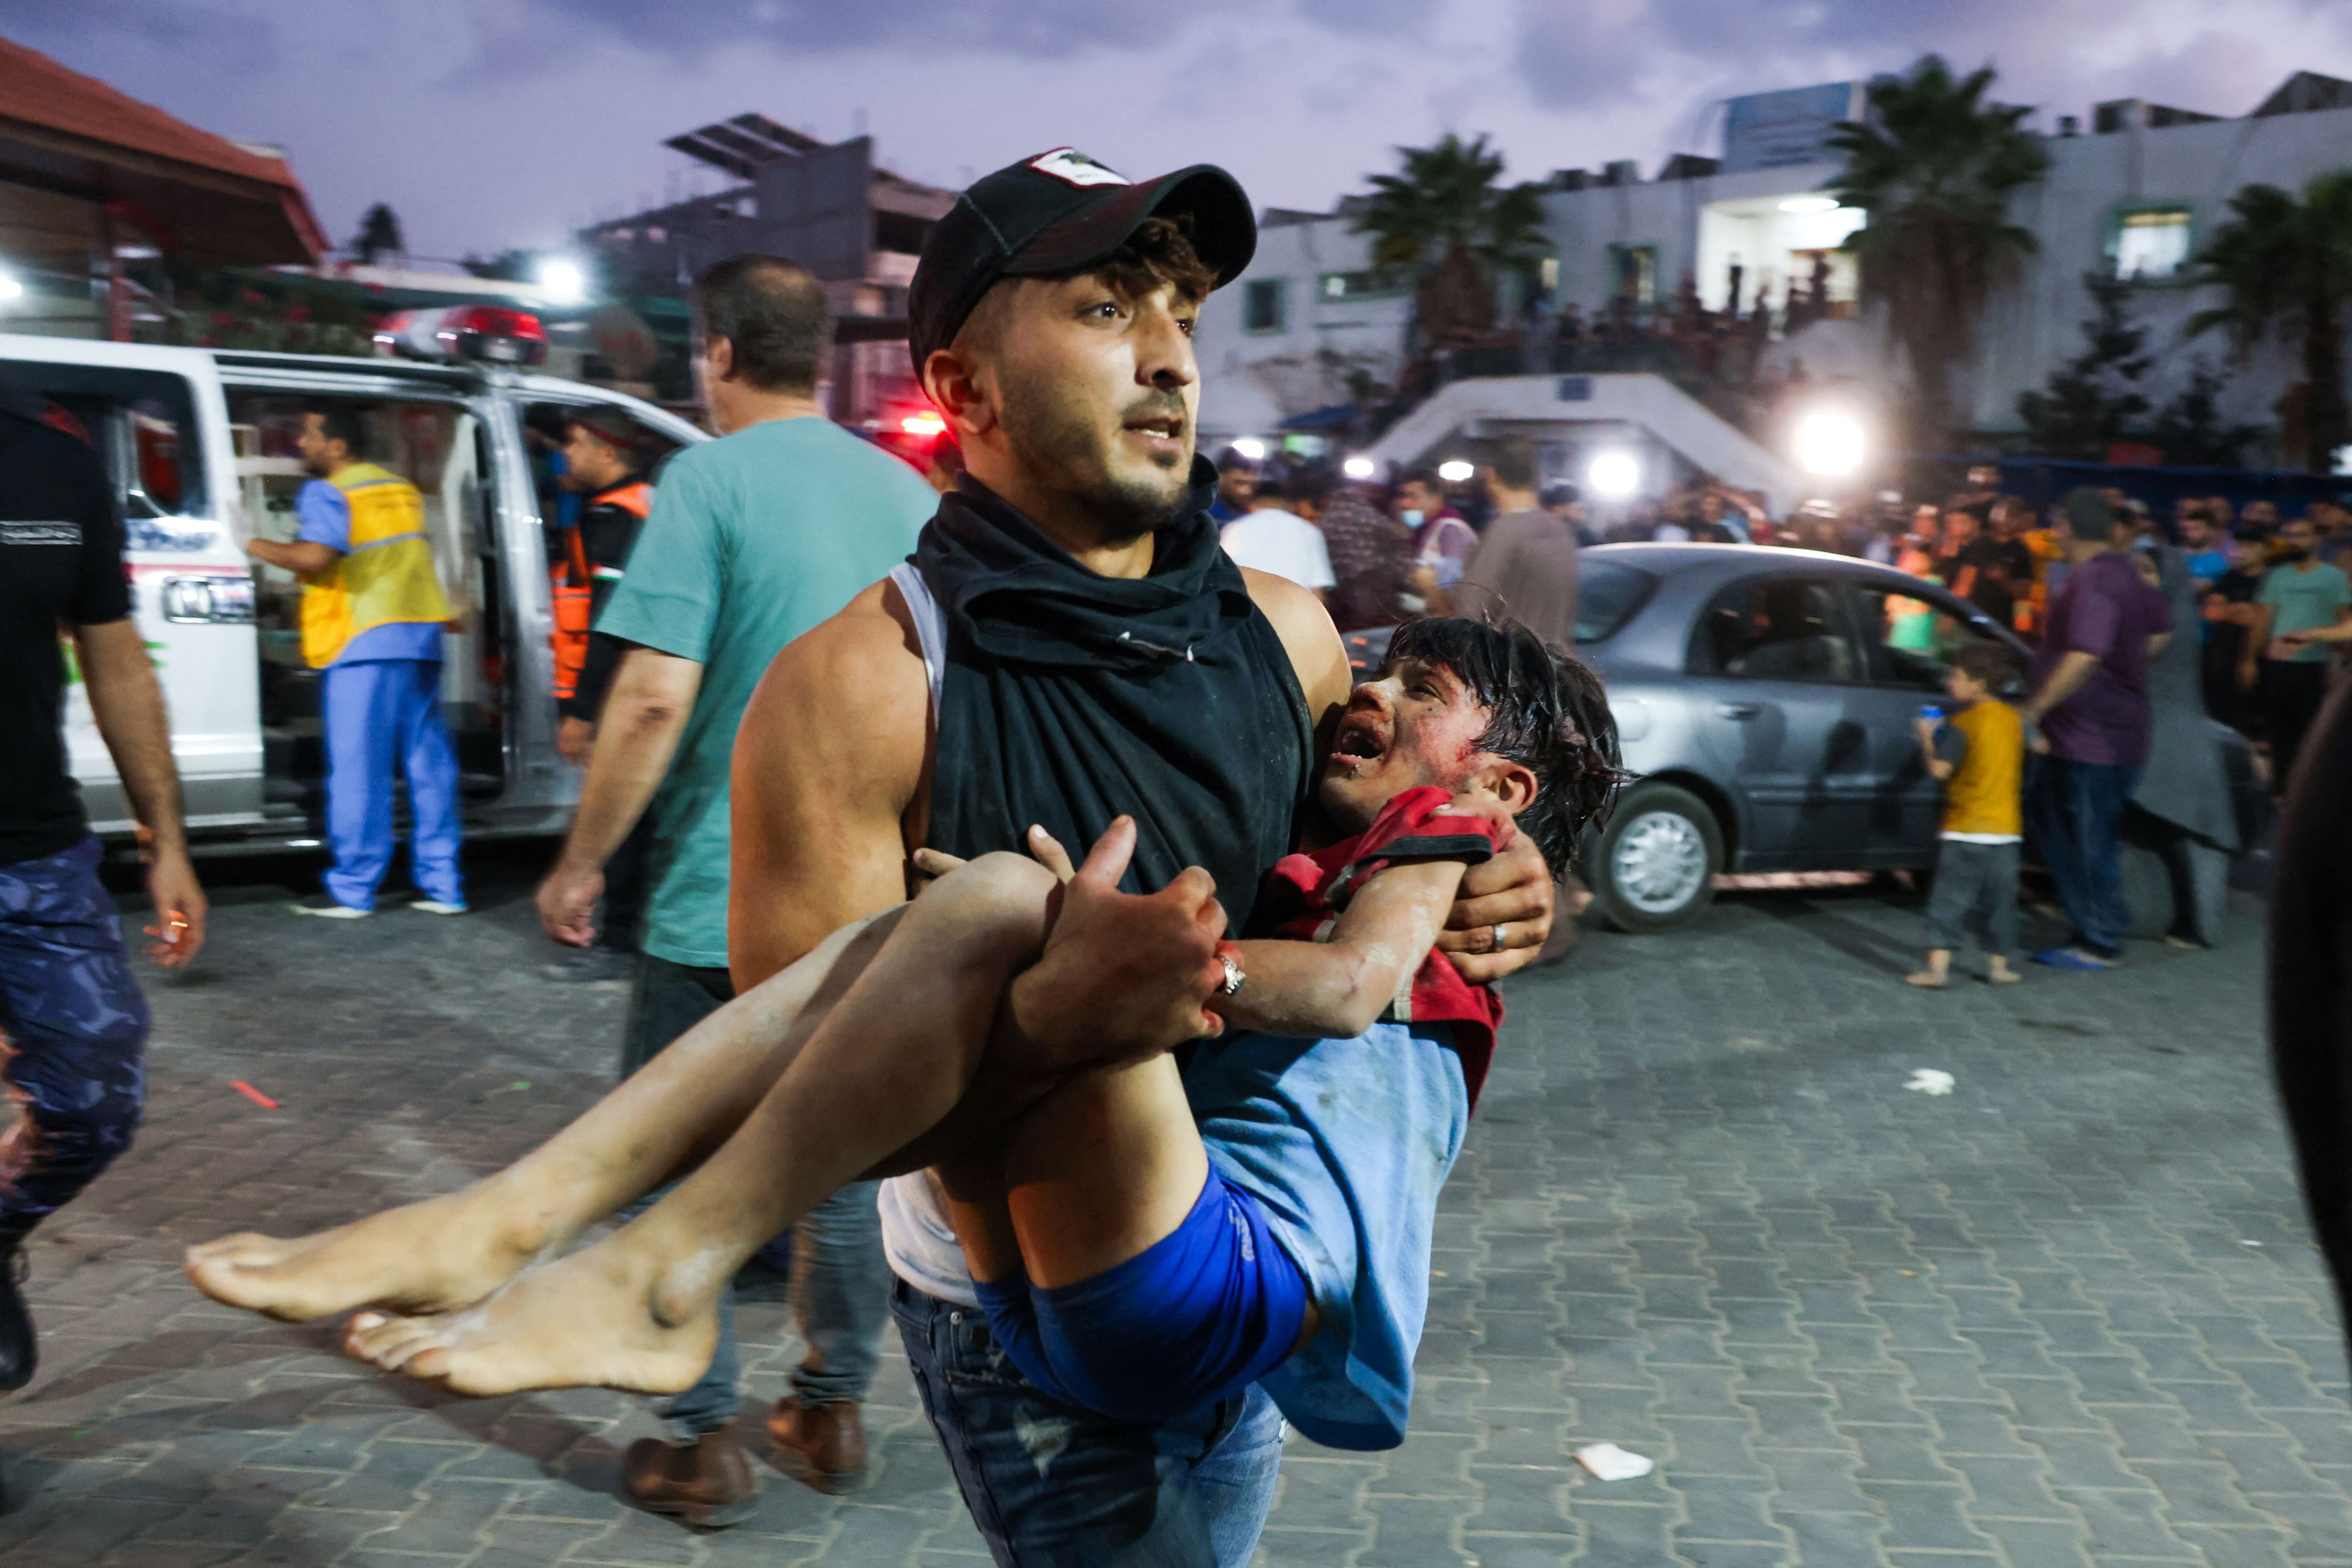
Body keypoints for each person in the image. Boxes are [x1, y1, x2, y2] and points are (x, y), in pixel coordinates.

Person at [532, 254, 939, 1520]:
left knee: (675, 1168)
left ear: (716, 354)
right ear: (816, 357)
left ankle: (699, 1438)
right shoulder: (911, 491)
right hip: (872, 903)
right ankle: (831, 1411)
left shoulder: (705, 481)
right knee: (843, 1169)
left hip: (717, 892)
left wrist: (583, 858)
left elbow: (651, 698)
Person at [1, 384, 207, 1390]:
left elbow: (117, 660)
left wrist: (163, 836)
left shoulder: (53, 462)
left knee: (93, 1093)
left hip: (31, 854)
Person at [243, 408, 463, 918]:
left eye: (310, 435)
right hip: (420, 634)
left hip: (364, 635)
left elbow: (315, 558)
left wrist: (248, 542)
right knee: (427, 764)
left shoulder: (329, 492)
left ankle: (354, 888)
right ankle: (444, 885)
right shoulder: (398, 488)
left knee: (359, 768)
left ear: (338, 447)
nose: (301, 443)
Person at [2018, 488, 2172, 971]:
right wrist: (2126, 669)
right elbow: (2159, 635)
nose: (2052, 534)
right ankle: (2091, 924)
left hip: (2092, 739)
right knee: (2063, 828)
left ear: (2067, 528)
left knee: (2088, 839)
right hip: (2097, 732)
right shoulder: (2125, 573)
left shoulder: (2094, 581)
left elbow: (2084, 654)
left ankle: (2098, 939)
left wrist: (2031, 708)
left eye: (2055, 525)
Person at [2128, 543, 2240, 948]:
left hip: (2171, 739)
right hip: (2158, 733)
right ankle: (2161, 915)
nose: (2140, 579)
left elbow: (2134, 658)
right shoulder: (2166, 612)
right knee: (2153, 827)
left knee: (2173, 829)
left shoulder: (2169, 618)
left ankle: (2192, 924)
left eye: (2147, 572)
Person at [1907, 642, 2026, 989]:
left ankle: (1937, 971)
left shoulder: (1963, 723)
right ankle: (1999, 967)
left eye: (1957, 676)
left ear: (1979, 683)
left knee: (1948, 901)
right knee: (2000, 903)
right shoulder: (2013, 719)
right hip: (2005, 830)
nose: (1950, 682)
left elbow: (1939, 770)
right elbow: (2041, 745)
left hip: (1965, 828)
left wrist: (1927, 737)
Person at [2241, 513, 2351, 791]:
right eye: (2291, 536)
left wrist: (2337, 661)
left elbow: (2344, 622)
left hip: (2313, 664)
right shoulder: (2277, 576)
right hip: (2279, 663)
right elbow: (2263, 619)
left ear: (2316, 540)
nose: (2295, 541)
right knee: (2279, 729)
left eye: (2302, 535)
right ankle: (2281, 787)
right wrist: (2249, 659)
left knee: (2310, 730)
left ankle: (2306, 787)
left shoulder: (2333, 577)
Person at [1457, 437, 1579, 650]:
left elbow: (1469, 611)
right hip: (1551, 667)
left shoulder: (1505, 532)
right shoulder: (1562, 532)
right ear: (1536, 478)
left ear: (1491, 476)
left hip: (1509, 668)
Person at [1218, 470, 1334, 600]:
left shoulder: (1235, 528)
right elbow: (1318, 589)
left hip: (1245, 612)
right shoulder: (1310, 532)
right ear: (1289, 506)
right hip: (1293, 612)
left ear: (1252, 505)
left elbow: (1220, 577)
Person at [1321, 479, 1418, 633]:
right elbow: (1401, 559)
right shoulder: (1376, 520)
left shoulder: (1324, 522)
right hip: (1377, 597)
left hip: (1339, 601)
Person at [2203, 530, 2271, 737]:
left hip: (2261, 654)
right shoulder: (2230, 577)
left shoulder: (2272, 580)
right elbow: (2210, 612)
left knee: (2254, 715)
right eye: (2239, 546)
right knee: (2222, 711)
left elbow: (2264, 619)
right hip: (2224, 655)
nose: (2242, 552)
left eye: (2250, 547)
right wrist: (2244, 611)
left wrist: (2232, 611)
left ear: (2264, 550)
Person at [1396, 469, 1475, 591]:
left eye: (1413, 497)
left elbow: (1450, 583)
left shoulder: (1450, 530)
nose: (1404, 503)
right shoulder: (1425, 530)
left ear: (1436, 498)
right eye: (1403, 497)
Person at [1208, 447, 1256, 522]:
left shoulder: (1253, 513)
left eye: (1251, 484)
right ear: (1220, 479)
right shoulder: (1202, 515)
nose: (1247, 491)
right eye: (1239, 483)